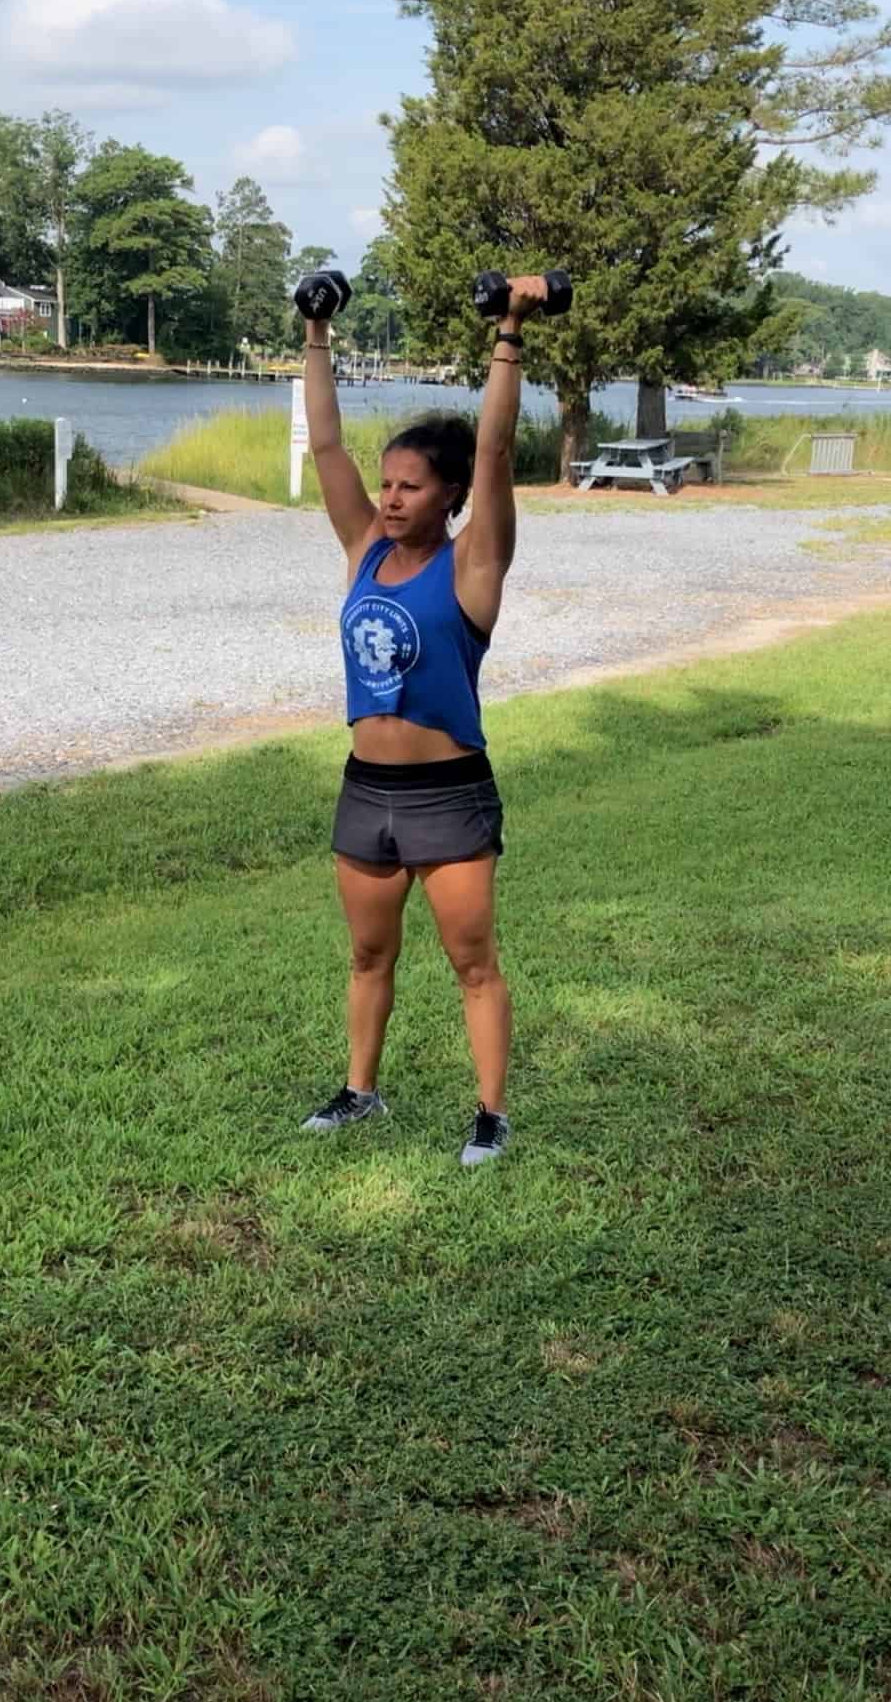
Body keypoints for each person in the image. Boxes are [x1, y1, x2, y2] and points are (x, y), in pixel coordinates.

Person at [300, 275, 549, 1165]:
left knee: (472, 961)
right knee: (369, 956)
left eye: (412, 486)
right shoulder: (366, 546)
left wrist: (508, 333)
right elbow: (325, 441)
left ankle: (490, 1114)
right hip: (366, 790)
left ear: (448, 498)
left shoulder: (476, 563)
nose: (393, 497)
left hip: (448, 795)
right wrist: (316, 330)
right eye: (388, 483)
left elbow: (494, 450)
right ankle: (361, 1090)